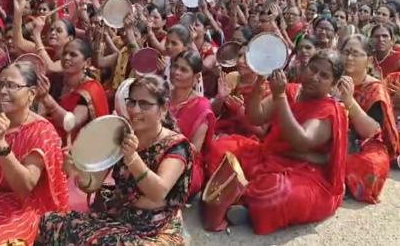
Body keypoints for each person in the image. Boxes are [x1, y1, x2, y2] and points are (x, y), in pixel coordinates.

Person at [36, 75, 193, 245]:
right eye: (131, 102)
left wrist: (132, 158)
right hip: (119, 215)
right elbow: (92, 185)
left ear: (163, 108)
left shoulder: (176, 146)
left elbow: (158, 192)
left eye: (144, 104)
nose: (135, 110)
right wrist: (77, 170)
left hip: (153, 228)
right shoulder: (122, 133)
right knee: (48, 222)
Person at [206, 50, 348, 235]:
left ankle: (240, 200)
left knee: (275, 191)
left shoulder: (329, 110)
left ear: (334, 84)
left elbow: (301, 141)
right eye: (313, 69)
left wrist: (280, 97)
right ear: (305, 68)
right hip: (269, 155)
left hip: (304, 173)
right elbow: (255, 117)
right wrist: (259, 83)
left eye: (324, 76)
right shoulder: (291, 90)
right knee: (220, 149)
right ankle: (240, 199)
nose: (315, 77)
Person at [0, 61, 68, 245]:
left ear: (32, 93)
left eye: (12, 85)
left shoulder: (41, 131)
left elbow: (25, 185)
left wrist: (1, 145)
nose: (3, 91)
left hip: (21, 205)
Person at [339, 35, 398, 203]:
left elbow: (371, 131)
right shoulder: (332, 79)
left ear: (369, 60)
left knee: (371, 165)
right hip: (333, 137)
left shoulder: (375, 89)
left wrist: (349, 102)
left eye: (356, 54)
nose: (349, 58)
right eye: (346, 52)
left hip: (365, 144)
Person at [36, 38, 109, 144]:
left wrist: (47, 99)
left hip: (77, 149)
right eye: (64, 53)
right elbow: (41, 114)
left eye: (73, 55)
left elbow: (72, 123)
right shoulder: (55, 80)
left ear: (87, 62)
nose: (66, 57)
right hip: (49, 138)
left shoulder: (90, 89)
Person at [169, 50, 215, 197]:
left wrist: (169, 139)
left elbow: (195, 149)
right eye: (175, 66)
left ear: (196, 78)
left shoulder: (202, 107)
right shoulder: (161, 96)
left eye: (183, 70)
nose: (176, 72)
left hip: (184, 161)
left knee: (175, 181)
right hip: (155, 151)